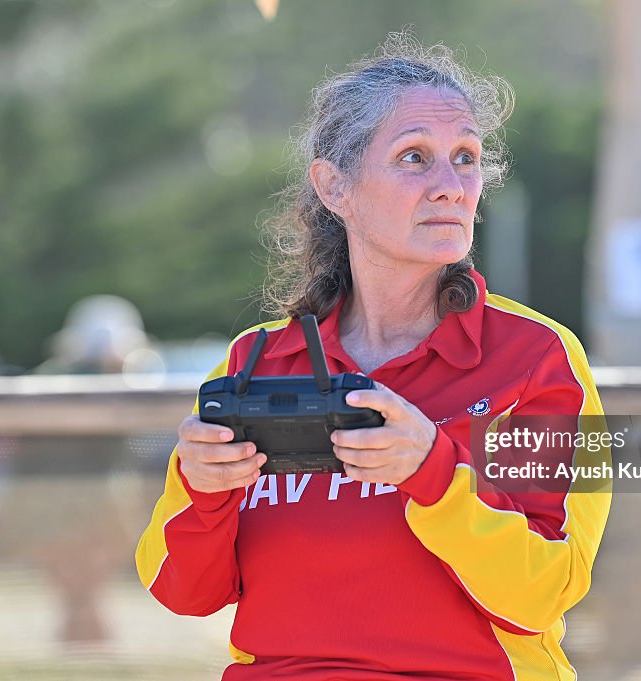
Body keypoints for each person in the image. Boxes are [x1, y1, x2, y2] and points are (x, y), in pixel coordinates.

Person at [136, 32, 611, 680]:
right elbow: (179, 589)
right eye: (415, 157)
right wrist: (206, 489)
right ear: (336, 187)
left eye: (466, 157)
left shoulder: (540, 358)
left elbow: (548, 589)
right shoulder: (253, 363)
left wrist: (435, 473)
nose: (451, 186)